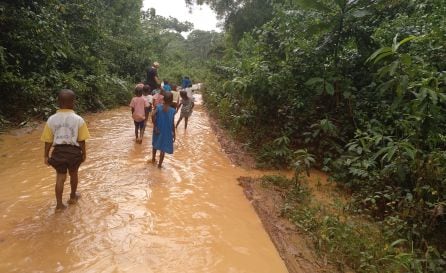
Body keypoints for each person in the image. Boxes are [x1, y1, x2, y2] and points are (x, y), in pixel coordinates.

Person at [40, 89, 90, 211]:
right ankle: (73, 197)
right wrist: (84, 153)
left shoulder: (51, 119)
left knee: (60, 177)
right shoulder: (78, 119)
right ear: (73, 103)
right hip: (74, 152)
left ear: (58, 102)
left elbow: (48, 140)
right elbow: (82, 140)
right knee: (74, 174)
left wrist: (46, 156)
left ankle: (59, 205)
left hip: (58, 152)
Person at [151, 92, 176, 168]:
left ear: (163, 99)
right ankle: (159, 165)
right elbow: (172, 123)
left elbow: (152, 115)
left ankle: (153, 159)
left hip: (158, 129)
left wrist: (155, 126)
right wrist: (174, 133)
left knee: (155, 145)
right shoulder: (172, 110)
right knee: (163, 149)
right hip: (167, 131)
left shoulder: (158, 107)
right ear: (172, 101)